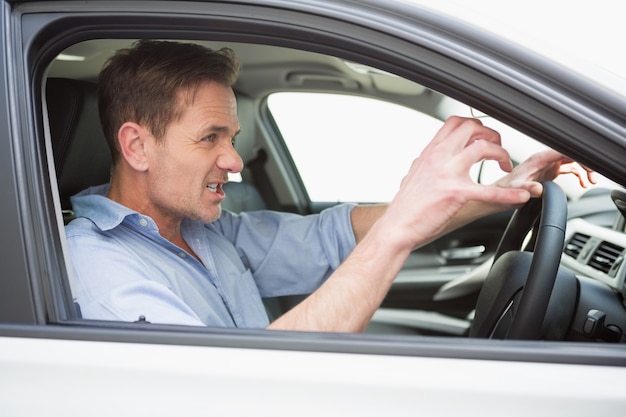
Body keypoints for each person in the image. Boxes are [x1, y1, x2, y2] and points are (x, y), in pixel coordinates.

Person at [65, 39, 595, 332]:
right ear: (136, 146)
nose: (234, 161)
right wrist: (398, 233)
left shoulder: (207, 232)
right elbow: (236, 393)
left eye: (233, 137)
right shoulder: (98, 270)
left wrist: (496, 190)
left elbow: (333, 235)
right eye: (210, 138)